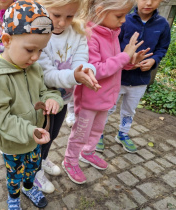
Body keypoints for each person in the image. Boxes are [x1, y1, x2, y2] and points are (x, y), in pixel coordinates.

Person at [0, 0, 64, 209]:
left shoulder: (32, 67)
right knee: (14, 174)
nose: (35, 57)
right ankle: (13, 198)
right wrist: (30, 130)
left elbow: (45, 91)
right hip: (13, 142)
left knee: (32, 168)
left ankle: (29, 186)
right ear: (6, 40)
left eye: (41, 50)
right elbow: (1, 119)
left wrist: (53, 99)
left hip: (34, 139)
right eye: (30, 49)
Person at [62, 0, 152, 184]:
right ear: (101, 11)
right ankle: (70, 161)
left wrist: (129, 62)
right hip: (89, 99)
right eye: (119, 16)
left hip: (106, 97)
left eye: (125, 15)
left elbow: (113, 63)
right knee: (81, 133)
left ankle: (87, 153)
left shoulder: (111, 32)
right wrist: (123, 57)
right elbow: (95, 69)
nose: (124, 21)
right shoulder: (89, 36)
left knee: (97, 130)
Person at [35, 0, 100, 193]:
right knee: (40, 135)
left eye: (69, 16)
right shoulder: (38, 34)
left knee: (53, 133)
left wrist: (88, 71)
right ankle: (34, 171)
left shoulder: (77, 32)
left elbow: (81, 60)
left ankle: (43, 159)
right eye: (56, 15)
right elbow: (46, 73)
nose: (63, 23)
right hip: (41, 100)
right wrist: (74, 76)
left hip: (63, 99)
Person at [97, 0, 171, 153]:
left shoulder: (163, 24)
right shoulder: (123, 20)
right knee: (108, 108)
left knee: (129, 110)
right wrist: (125, 58)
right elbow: (111, 46)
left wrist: (154, 60)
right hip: (118, 77)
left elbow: (162, 48)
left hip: (140, 80)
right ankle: (98, 133)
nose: (148, 2)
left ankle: (123, 134)